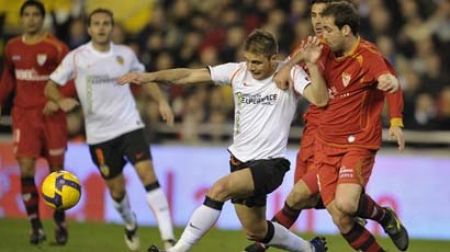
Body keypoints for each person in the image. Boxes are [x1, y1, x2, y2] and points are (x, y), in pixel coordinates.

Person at [118, 30, 329, 252]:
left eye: (257, 62)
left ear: (273, 59)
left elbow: (320, 99)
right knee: (256, 230)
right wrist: (151, 76)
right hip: (239, 161)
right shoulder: (237, 72)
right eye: (248, 60)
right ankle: (311, 249)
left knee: (218, 190)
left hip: (270, 165)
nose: (251, 67)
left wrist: (312, 65)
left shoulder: (291, 73)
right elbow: (189, 76)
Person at [244, 1, 406, 251]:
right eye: (313, 15)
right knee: (334, 213)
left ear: (345, 29)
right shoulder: (319, 48)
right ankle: (376, 217)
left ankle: (383, 216)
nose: (319, 25)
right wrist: (287, 67)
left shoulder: (368, 56)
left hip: (356, 141)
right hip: (323, 142)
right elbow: (297, 56)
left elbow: (388, 79)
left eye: (325, 22)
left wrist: (396, 119)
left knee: (344, 204)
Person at [44, 8, 176, 251]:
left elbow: (143, 78)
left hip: (129, 126)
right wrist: (60, 100)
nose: (102, 27)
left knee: (148, 174)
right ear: (89, 28)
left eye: (106, 23)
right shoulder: (77, 57)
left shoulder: (125, 55)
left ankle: (168, 239)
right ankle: (129, 222)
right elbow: (51, 85)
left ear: (112, 27)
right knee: (116, 191)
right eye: (97, 23)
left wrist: (161, 101)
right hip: (99, 136)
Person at [0, 0, 75, 245]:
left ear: (42, 18)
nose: (31, 19)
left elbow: (71, 78)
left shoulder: (56, 47)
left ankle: (60, 220)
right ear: (21, 19)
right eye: (27, 15)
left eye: (35, 15)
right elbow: (9, 79)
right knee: (26, 169)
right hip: (24, 116)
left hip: (52, 117)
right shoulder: (11, 47)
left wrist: (59, 98)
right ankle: (35, 225)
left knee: (57, 174)